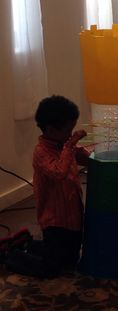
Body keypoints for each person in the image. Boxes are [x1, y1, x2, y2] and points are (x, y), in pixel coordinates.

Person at [5, 95, 90, 277]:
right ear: (51, 130)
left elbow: (82, 158)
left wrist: (89, 154)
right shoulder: (41, 152)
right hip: (55, 220)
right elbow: (58, 172)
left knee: (70, 260)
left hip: (73, 215)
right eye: (68, 130)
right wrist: (70, 146)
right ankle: (11, 255)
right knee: (50, 268)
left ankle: (29, 244)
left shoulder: (63, 144)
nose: (70, 133)